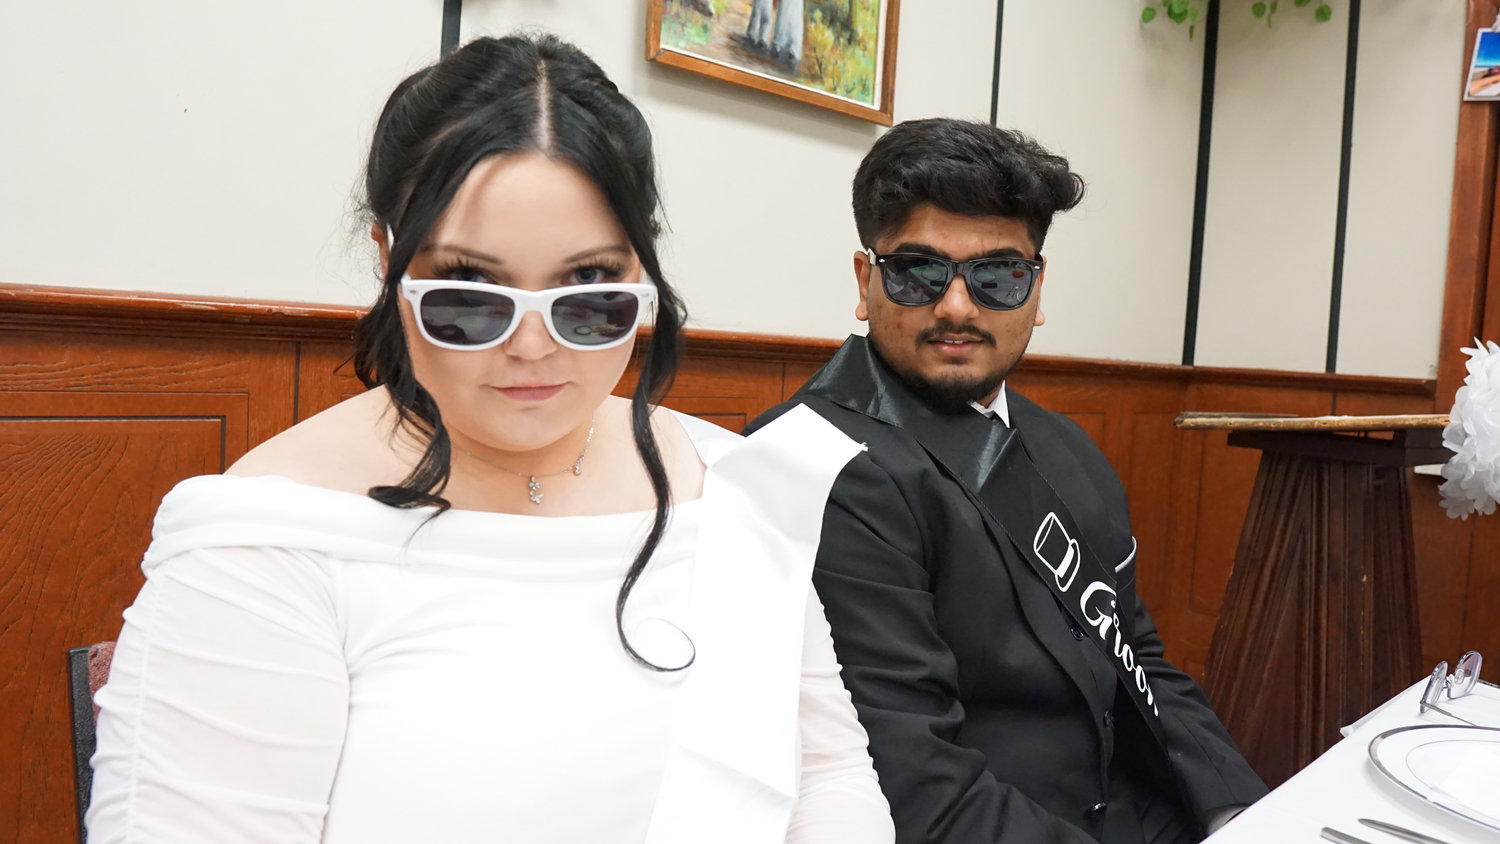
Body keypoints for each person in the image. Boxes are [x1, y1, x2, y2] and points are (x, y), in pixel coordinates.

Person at [85, 33, 894, 844]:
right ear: (387, 262)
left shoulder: (732, 487)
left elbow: (825, 771)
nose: (533, 347)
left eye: (589, 292)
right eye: (469, 294)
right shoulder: (265, 545)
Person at [745, 118, 1267, 844]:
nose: (956, 306)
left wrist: (1238, 812)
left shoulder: (1066, 444)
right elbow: (914, 783)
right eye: (919, 271)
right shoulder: (808, 461)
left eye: (996, 275)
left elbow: (1136, 655)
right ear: (867, 283)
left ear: (1037, 288)